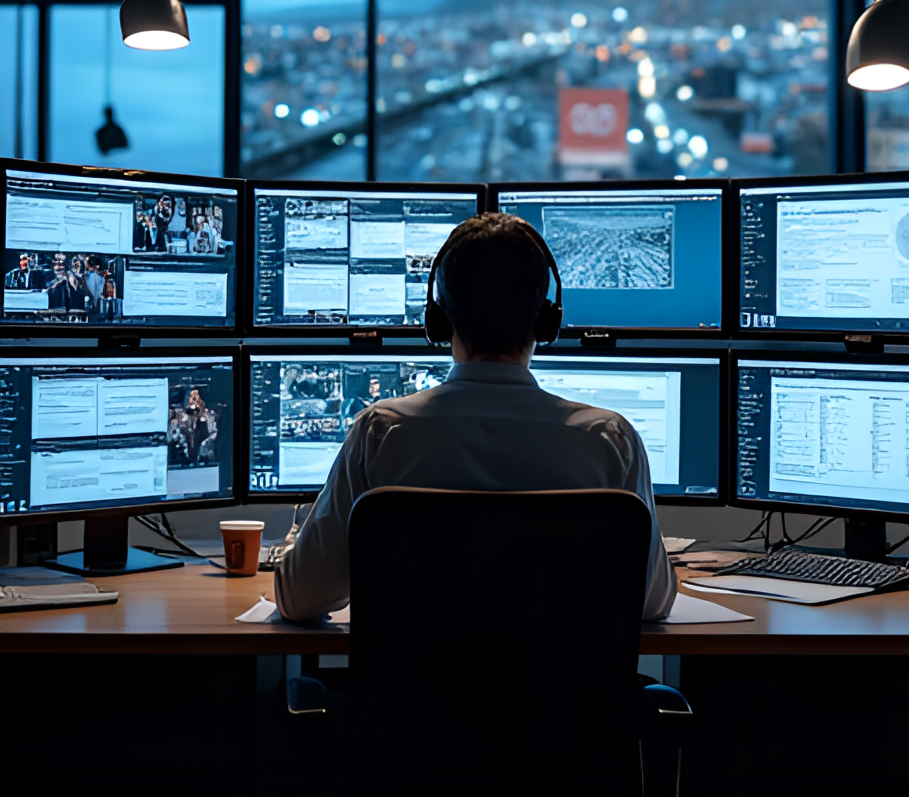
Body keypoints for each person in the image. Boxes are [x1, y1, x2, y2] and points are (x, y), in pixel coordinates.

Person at [275, 212, 676, 623]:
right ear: (546, 321)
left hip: (414, 689)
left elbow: (301, 598)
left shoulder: (381, 433)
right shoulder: (610, 440)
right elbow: (653, 602)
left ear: (439, 322)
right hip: (563, 688)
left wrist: (295, 546)